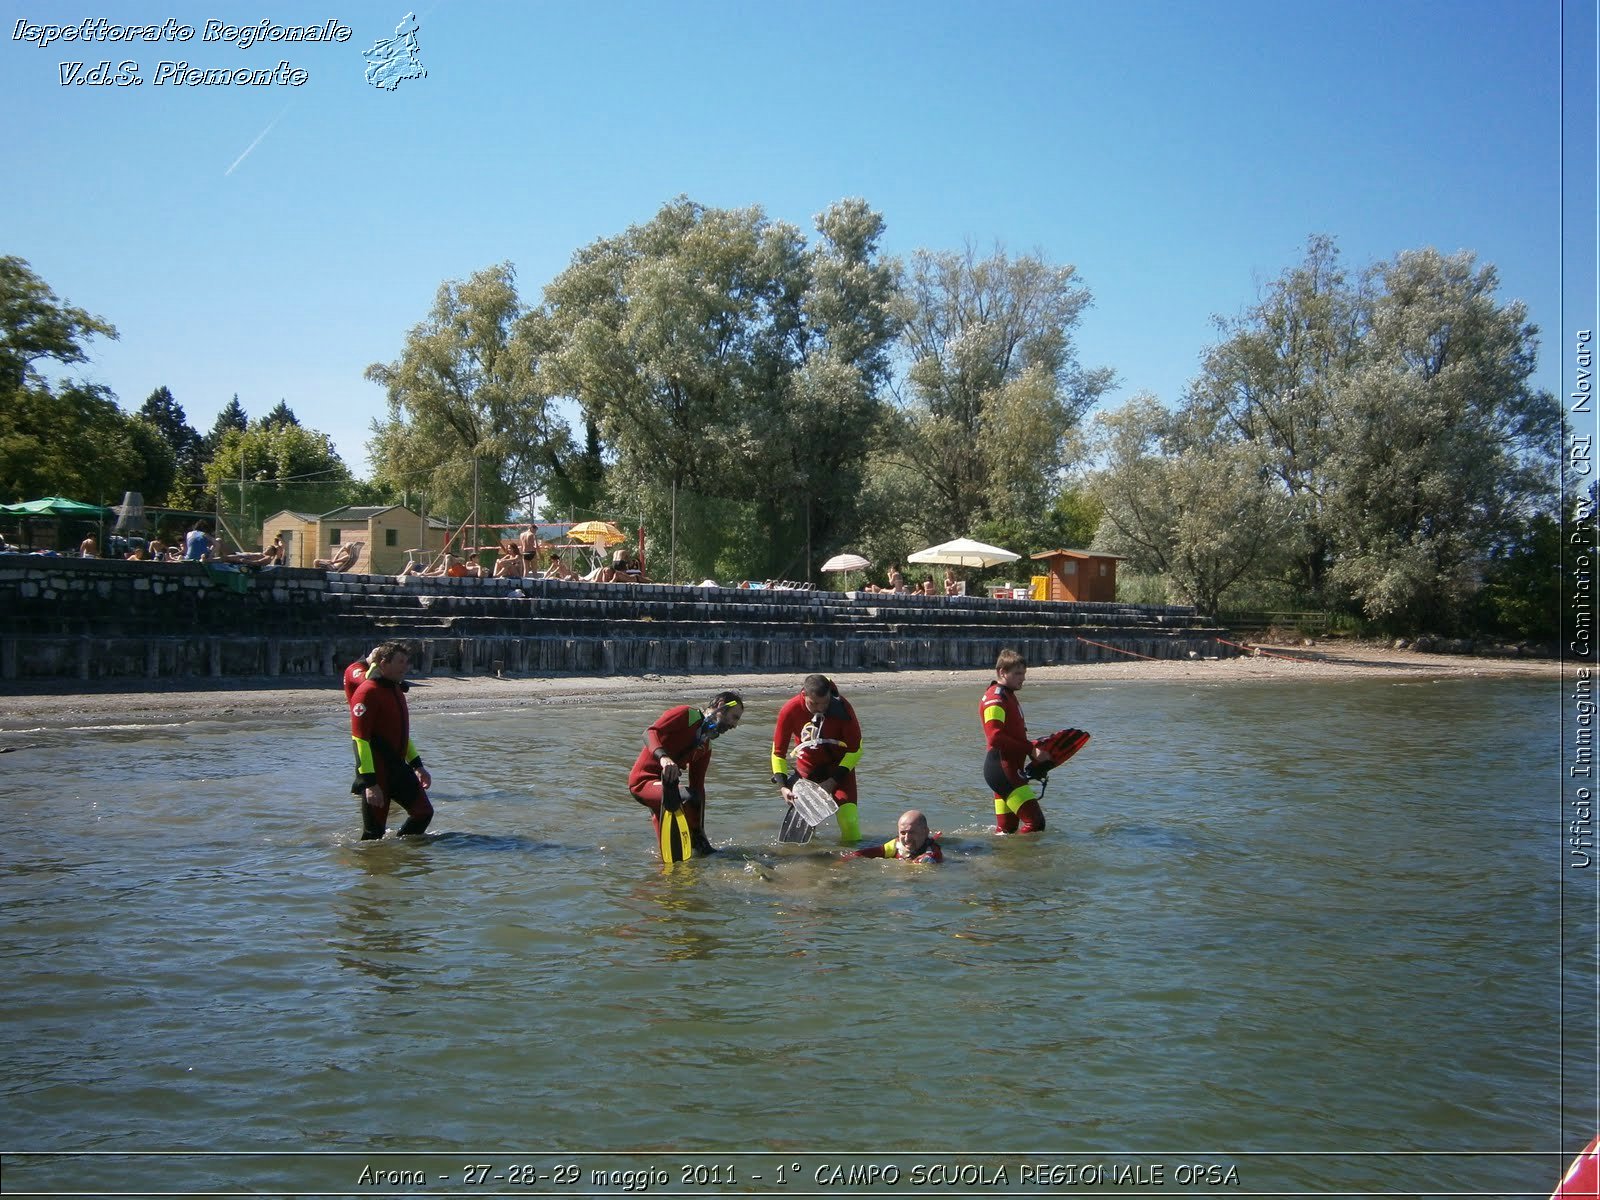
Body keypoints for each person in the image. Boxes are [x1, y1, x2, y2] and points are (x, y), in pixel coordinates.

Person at [628, 691, 744, 861]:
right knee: (687, 796)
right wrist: (664, 758)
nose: (734, 725)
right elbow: (649, 732)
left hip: (667, 790)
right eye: (734, 717)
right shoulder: (686, 714)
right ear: (721, 705)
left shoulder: (705, 746)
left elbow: (698, 787)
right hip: (643, 782)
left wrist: (701, 834)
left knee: (670, 861)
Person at [348, 641, 433, 839]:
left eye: (407, 661)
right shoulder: (367, 692)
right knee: (373, 835)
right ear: (384, 663)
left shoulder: (396, 689)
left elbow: (401, 733)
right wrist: (369, 783)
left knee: (423, 813)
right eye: (401, 662)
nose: (406, 666)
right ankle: (373, 864)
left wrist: (417, 766)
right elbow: (360, 740)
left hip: (399, 769)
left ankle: (401, 856)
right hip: (378, 773)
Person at [771, 674, 863, 844]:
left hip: (840, 771)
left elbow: (856, 750)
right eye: (814, 704)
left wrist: (832, 782)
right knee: (801, 834)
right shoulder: (790, 710)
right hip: (808, 772)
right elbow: (778, 753)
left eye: (825, 703)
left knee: (849, 820)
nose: (820, 708)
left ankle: (852, 861)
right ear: (803, 694)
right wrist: (783, 787)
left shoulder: (843, 708)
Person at [980, 648, 1048, 834]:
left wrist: (1034, 746)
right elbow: (994, 736)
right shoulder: (996, 698)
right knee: (1035, 823)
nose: (1023, 678)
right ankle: (1029, 863)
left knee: (1006, 830)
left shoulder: (1007, 694)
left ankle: (1002, 860)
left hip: (1007, 770)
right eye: (1017, 673)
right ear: (1002, 672)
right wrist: (1030, 748)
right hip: (1003, 770)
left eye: (1024, 673)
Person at [843, 809, 943, 863]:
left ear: (925, 832)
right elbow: (865, 853)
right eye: (903, 833)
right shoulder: (896, 845)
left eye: (911, 832)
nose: (907, 839)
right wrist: (846, 859)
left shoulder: (932, 853)